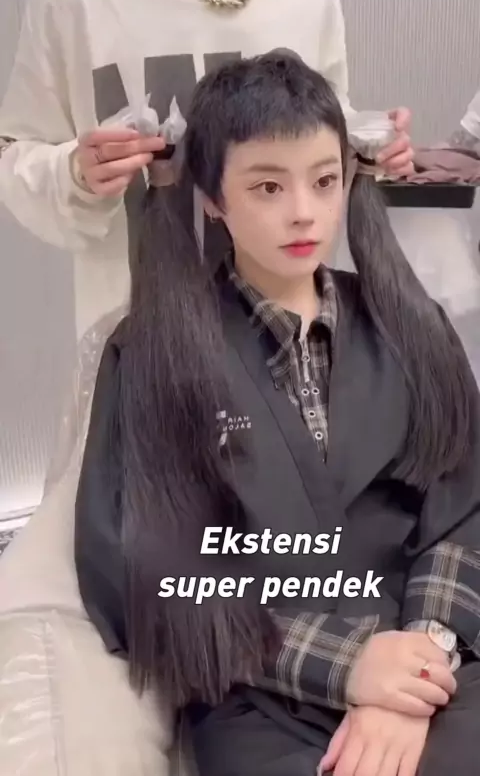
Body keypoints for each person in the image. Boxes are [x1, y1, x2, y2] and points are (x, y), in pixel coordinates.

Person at [74, 52, 480, 776]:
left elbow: (463, 512)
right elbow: (144, 570)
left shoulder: (414, 326)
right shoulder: (149, 354)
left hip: (432, 664)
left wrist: (417, 663)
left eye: (324, 180)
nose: (303, 211)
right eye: (267, 186)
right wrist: (347, 664)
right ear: (212, 198)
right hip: (258, 692)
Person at [0, 0, 413, 339]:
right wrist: (78, 172)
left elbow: (322, 146)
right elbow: (17, 155)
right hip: (139, 339)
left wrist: (370, 153)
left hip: (288, 341)